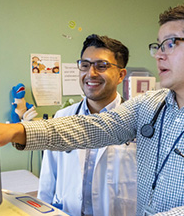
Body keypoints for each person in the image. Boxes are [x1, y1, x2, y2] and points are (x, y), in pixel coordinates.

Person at [0, 3, 184, 216]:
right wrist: (14, 131)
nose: (159, 54)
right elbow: (92, 128)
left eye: (171, 44)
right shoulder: (149, 105)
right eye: (158, 45)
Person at [37, 34, 137, 216]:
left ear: (121, 75)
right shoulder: (63, 117)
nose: (91, 73)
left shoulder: (137, 122)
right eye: (85, 65)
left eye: (102, 66)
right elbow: (47, 180)